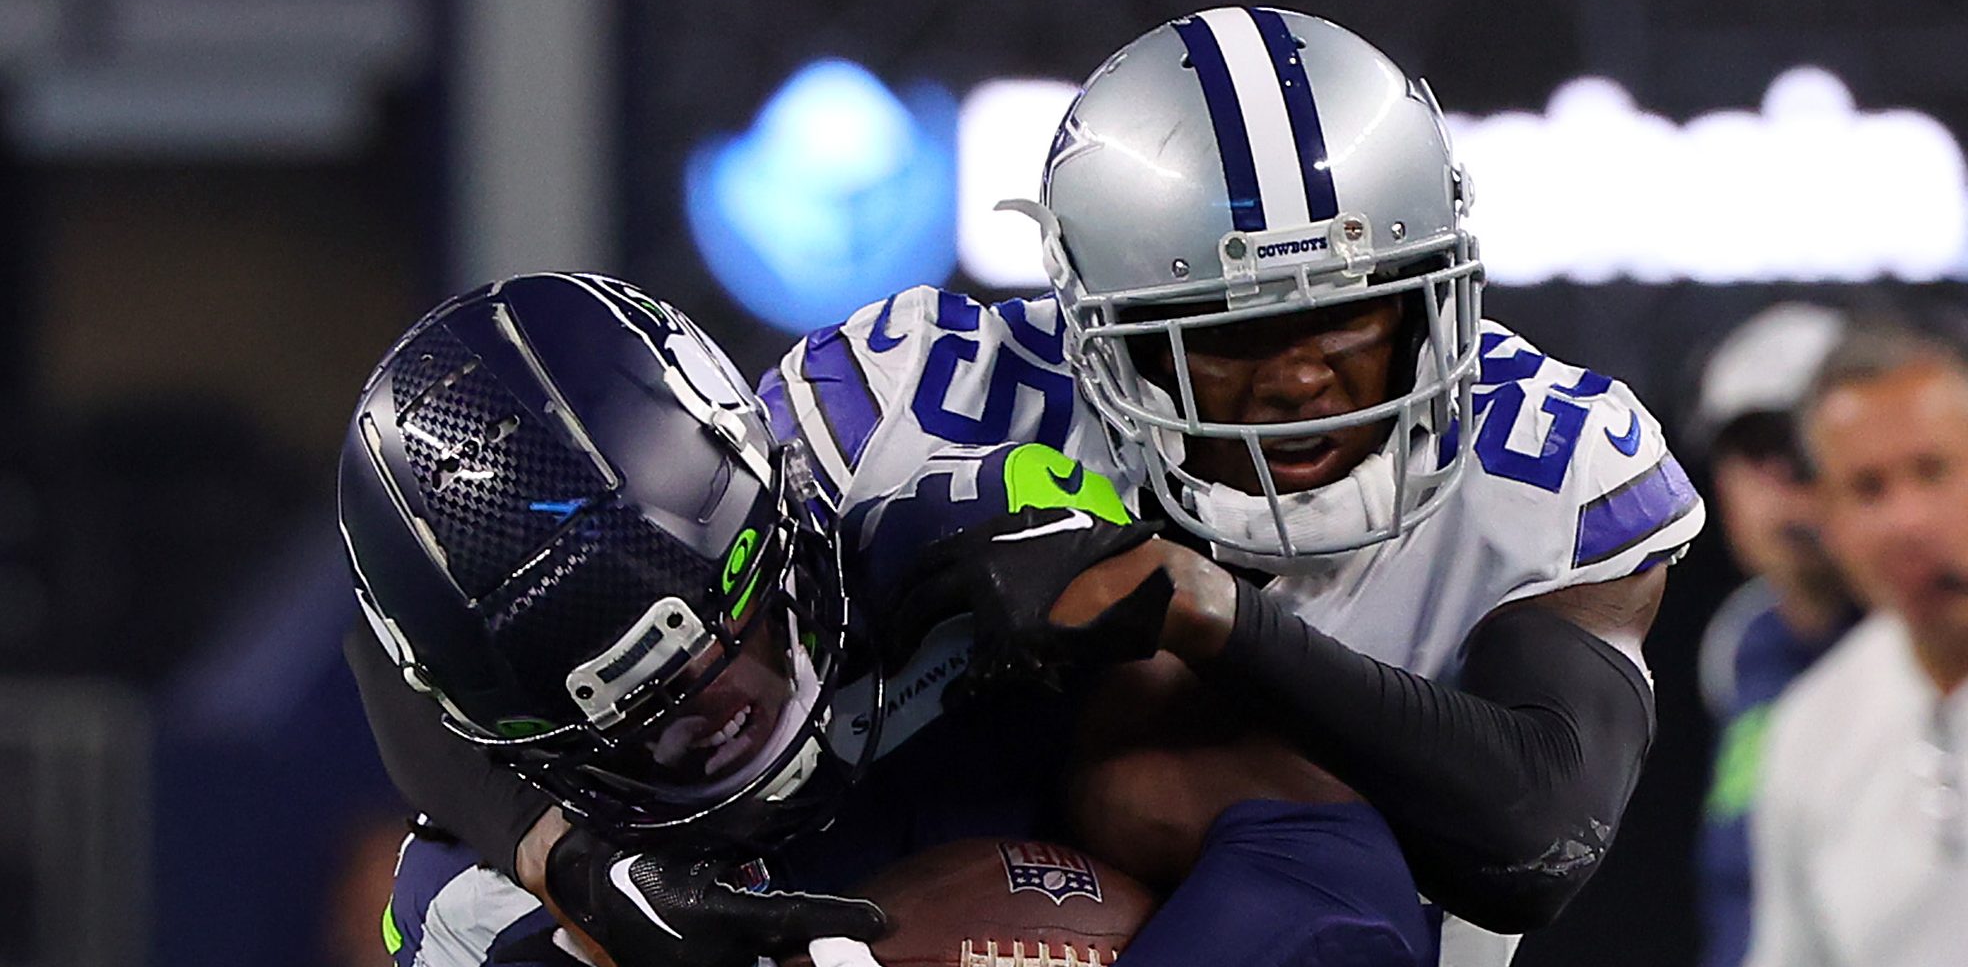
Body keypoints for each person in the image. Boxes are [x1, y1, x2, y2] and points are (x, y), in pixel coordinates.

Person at [364, 7, 1704, 967]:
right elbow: (457, 628)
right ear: (1095, 332)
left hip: (1306, 915)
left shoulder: (1552, 468)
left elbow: (1534, 839)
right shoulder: (910, 405)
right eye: (1235, 338)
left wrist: (1208, 614)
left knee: (1311, 864)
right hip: (884, 863)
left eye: (1355, 323)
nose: (1307, 382)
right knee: (469, 903)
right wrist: (571, 858)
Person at [345, 272, 1431, 967]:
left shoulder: (945, 540)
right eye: (658, 721)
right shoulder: (484, 915)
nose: (736, 716)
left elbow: (1335, 868)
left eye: (749, 625)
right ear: (519, 751)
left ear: (777, 477)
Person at [1746, 321, 1968, 967]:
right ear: (1830, 521)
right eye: (1868, 487)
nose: (1907, 522)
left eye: (1935, 471)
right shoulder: (1809, 732)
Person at [1688, 303, 1857, 967]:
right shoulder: (1738, 645)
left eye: (1800, 445)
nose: (1782, 480)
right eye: (1752, 449)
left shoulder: (1934, 646)